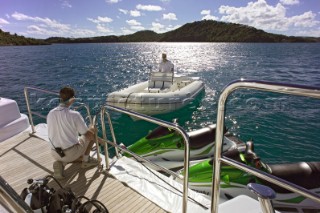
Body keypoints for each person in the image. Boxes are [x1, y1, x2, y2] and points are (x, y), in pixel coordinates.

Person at [47, 86, 100, 179]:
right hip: (70, 153)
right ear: (72, 99)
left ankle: (62, 163)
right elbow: (87, 134)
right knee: (93, 131)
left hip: (55, 153)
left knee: (70, 143)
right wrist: (92, 127)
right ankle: (86, 161)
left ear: (59, 99)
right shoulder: (74, 115)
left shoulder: (51, 113)